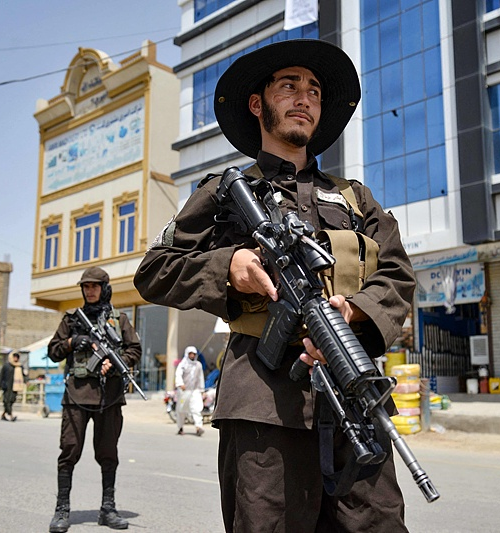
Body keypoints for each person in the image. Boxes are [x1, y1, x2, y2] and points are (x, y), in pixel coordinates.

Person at [134, 39, 415, 532]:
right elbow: (155, 270)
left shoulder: (355, 200)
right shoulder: (224, 196)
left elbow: (396, 274)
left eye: (314, 90)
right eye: (289, 85)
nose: (304, 97)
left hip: (353, 393)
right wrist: (229, 265)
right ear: (257, 103)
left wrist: (354, 313)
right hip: (264, 408)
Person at [46, 266, 142, 532]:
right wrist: (71, 343)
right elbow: (53, 351)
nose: (89, 291)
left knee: (108, 454)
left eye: (94, 286)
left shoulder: (119, 319)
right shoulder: (72, 319)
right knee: (69, 451)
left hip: (109, 398)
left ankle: (107, 508)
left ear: (104, 288)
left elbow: (134, 349)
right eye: (85, 287)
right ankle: (62, 510)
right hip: (76, 396)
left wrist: (116, 361)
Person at [175, 345, 205, 436]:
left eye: (194, 354)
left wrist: (202, 390)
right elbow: (178, 375)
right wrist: (180, 384)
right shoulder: (182, 365)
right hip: (184, 391)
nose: (192, 356)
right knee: (181, 410)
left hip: (195, 391)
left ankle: (198, 427)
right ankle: (180, 427)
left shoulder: (198, 365)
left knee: (197, 409)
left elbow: (200, 378)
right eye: (190, 354)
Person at [0, 350, 26, 421]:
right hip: (6, 387)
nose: (16, 359)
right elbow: (1, 376)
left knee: (12, 400)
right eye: (14, 357)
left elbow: (24, 375)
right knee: (7, 401)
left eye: (17, 357)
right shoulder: (6, 366)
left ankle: (3, 414)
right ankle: (11, 416)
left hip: (15, 386)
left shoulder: (20, 366)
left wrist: (26, 381)